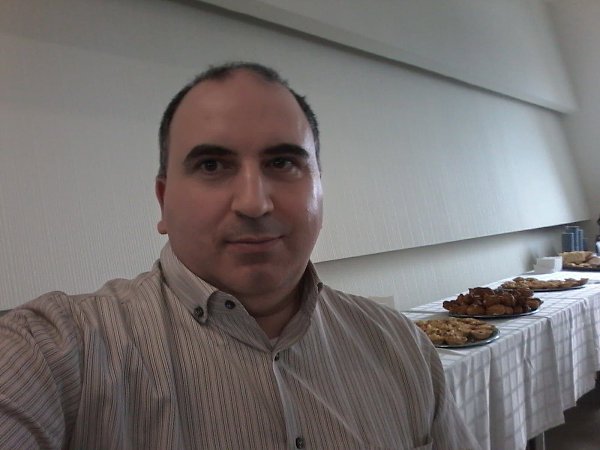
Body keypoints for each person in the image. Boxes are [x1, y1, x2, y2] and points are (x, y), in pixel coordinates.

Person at [0, 62, 479, 449]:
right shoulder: (56, 353)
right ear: (163, 202)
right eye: (212, 165)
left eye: (282, 162)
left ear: (319, 190)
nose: (254, 203)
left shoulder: (401, 346)